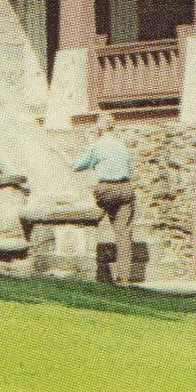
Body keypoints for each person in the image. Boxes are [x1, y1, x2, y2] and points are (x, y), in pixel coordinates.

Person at [73, 112, 136, 284]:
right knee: (123, 234)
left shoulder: (97, 145)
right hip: (125, 188)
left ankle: (84, 266)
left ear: (100, 127)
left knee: (91, 217)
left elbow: (78, 165)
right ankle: (123, 278)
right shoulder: (121, 145)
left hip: (106, 189)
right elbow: (129, 170)